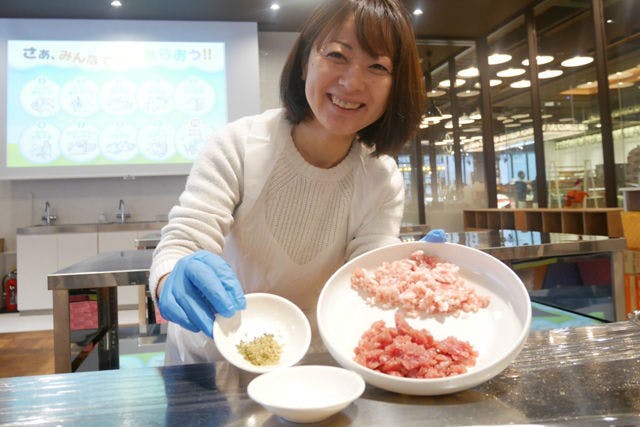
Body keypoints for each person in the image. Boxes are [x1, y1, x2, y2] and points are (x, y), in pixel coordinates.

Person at [149, 0, 429, 365]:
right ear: (303, 63)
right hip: (212, 358)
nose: (352, 82)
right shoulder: (238, 145)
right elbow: (184, 240)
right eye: (337, 55)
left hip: (314, 362)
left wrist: (402, 274)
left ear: (395, 86)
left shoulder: (381, 177)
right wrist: (172, 277)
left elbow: (366, 279)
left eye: (377, 66)